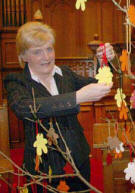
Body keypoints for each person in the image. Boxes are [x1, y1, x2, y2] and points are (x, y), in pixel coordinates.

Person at [4, 21, 114, 192]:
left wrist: (104, 62)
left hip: (79, 157)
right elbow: (24, 108)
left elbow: (100, 83)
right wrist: (77, 97)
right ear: (24, 56)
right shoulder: (17, 81)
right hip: (43, 166)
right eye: (37, 52)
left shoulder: (65, 74)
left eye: (49, 49)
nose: (47, 57)